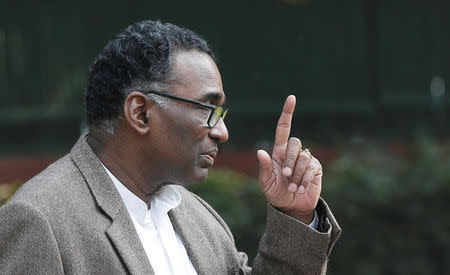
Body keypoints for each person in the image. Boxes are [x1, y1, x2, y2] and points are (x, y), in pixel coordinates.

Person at [0, 20, 341, 274]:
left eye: (221, 113)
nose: (221, 131)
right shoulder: (39, 220)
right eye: (208, 109)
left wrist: (295, 216)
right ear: (141, 113)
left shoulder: (199, 218)